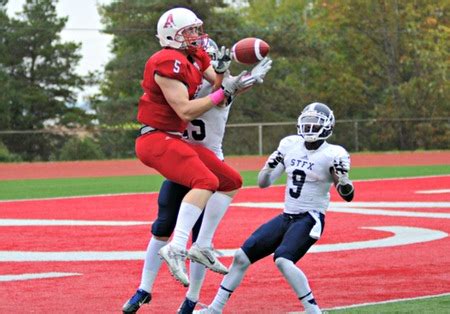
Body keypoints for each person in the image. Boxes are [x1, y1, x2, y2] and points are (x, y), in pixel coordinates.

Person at [125, 5, 272, 312]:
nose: (197, 37)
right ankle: (153, 277)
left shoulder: (196, 61)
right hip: (167, 144)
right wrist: (228, 86)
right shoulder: (169, 63)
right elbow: (191, 107)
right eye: (190, 32)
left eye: (196, 31)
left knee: (229, 180)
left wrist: (227, 77)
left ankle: (195, 270)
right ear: (173, 36)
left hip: (190, 151)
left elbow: (220, 87)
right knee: (166, 222)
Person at [194, 102, 355, 314]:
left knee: (283, 259)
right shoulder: (290, 144)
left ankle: (313, 311)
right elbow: (263, 182)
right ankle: (215, 309)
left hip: (310, 217)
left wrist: (344, 181)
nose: (310, 128)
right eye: (307, 122)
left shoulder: (334, 153)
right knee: (241, 257)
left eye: (315, 124)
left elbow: (347, 196)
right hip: (287, 216)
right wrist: (271, 164)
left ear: (327, 127)